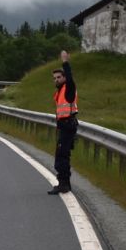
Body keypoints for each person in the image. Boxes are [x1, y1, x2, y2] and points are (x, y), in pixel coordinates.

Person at [49, 50, 79, 195]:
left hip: (68, 125)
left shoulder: (69, 89)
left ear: (65, 77)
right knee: (62, 156)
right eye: (54, 78)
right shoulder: (60, 91)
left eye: (59, 77)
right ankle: (64, 184)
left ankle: (64, 184)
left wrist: (65, 62)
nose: (56, 80)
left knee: (61, 157)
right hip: (64, 126)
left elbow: (70, 78)